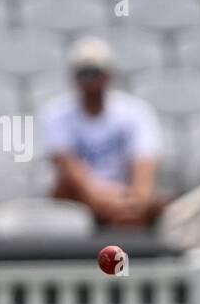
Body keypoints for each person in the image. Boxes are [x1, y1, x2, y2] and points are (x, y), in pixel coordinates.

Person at [40, 36, 164, 227]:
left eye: (95, 73)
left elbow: (144, 166)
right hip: (81, 198)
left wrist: (137, 201)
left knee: (157, 202)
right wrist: (104, 201)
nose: (90, 81)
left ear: (108, 75)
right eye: (84, 73)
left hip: (125, 193)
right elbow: (69, 167)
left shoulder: (136, 111)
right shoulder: (56, 112)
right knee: (63, 186)